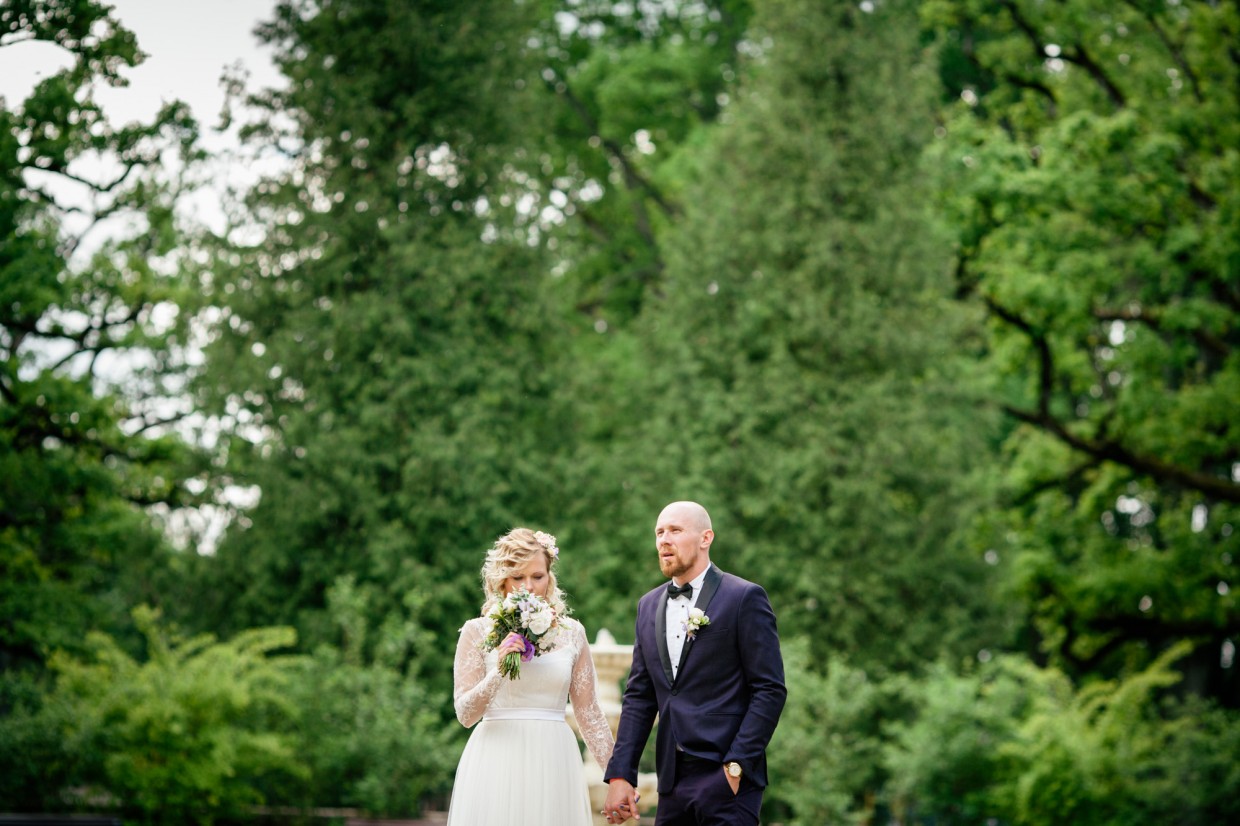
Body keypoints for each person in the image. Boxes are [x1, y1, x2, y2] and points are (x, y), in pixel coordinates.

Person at [603, 501, 786, 826]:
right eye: (659, 532)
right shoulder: (648, 606)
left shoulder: (744, 597)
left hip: (726, 779)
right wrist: (621, 775)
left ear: (706, 538)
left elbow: (769, 689)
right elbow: (640, 697)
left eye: (675, 530)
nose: (664, 539)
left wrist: (735, 767)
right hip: (671, 780)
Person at [446, 527, 615, 826]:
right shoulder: (476, 631)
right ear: (501, 581)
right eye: (518, 577)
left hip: (554, 757)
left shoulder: (572, 633)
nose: (528, 587)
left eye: (537, 576)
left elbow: (589, 714)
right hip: (496, 759)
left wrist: (618, 777)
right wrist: (499, 671)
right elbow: (466, 714)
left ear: (550, 577)